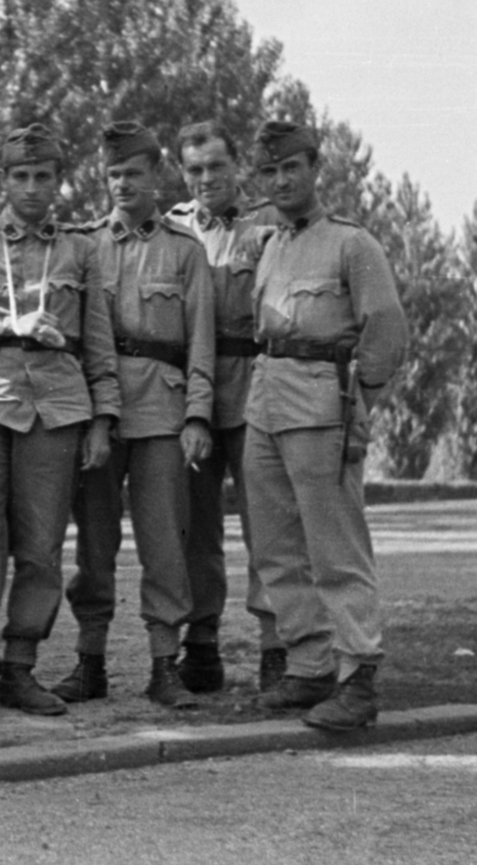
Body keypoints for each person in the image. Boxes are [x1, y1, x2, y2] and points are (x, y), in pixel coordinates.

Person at [0, 124, 120, 719]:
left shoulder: (81, 250)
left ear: (59, 181)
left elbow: (100, 346)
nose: (32, 188)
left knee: (40, 550)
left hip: (57, 412)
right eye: (20, 176)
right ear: (3, 180)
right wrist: (8, 328)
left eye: (43, 177)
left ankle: (19, 669)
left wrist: (102, 420)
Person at [242, 120, 407, 732]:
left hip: (322, 405)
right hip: (265, 403)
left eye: (292, 167)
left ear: (315, 168)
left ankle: (358, 676)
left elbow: (386, 329)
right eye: (269, 171)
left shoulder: (351, 245)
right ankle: (309, 665)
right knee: (276, 547)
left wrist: (360, 401)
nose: (281, 180)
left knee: (336, 547)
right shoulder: (271, 245)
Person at [56, 121, 215, 710]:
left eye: (133, 174)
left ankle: (162, 666)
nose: (122, 184)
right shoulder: (83, 245)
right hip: (99, 412)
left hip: (161, 412)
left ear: (157, 177)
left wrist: (198, 416)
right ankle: (89, 662)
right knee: (93, 544)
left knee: (164, 542)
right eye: (113, 175)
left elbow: (202, 342)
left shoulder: (183, 251)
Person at [165, 120, 289, 694]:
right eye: (195, 169)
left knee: (266, 524)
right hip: (190, 393)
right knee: (195, 527)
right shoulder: (171, 229)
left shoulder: (268, 225)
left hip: (251, 387)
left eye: (216, 166)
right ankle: (202, 643)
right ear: (182, 173)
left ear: (235, 166)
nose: (206, 178)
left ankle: (275, 646)